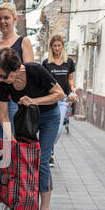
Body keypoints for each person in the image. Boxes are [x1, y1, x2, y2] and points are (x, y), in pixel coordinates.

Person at [0, 48, 65, 210]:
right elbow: (3, 114)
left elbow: (60, 94)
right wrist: (11, 139)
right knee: (21, 159)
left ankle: (45, 209)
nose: (0, 79)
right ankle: (22, 203)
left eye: (3, 76)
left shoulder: (36, 70)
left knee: (42, 161)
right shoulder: (2, 83)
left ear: (16, 69)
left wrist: (33, 101)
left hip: (49, 118)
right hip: (27, 119)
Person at [0, 2, 35, 200]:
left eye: (6, 18)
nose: (3, 22)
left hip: (14, 100)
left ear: (14, 19)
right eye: (0, 18)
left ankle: (14, 180)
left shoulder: (23, 42)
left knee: (13, 140)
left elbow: (28, 72)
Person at [42, 35, 77, 167]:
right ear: (51, 47)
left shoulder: (69, 62)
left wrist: (73, 90)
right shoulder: (46, 63)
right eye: (54, 46)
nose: (57, 48)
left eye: (59, 46)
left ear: (62, 46)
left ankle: (48, 147)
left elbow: (70, 80)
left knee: (58, 130)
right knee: (51, 127)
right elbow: (43, 82)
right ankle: (49, 153)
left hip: (63, 99)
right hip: (50, 98)